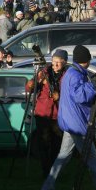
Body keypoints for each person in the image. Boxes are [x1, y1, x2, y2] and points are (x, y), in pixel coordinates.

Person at [39, 45, 96, 190]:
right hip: (77, 125)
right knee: (94, 160)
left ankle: (47, 189)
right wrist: (93, 85)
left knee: (63, 156)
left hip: (70, 121)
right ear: (87, 60)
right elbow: (80, 96)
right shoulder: (75, 74)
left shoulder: (71, 72)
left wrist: (91, 83)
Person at [25, 49, 68, 177]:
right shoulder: (44, 72)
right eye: (54, 62)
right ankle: (45, 170)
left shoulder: (67, 75)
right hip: (42, 113)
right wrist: (32, 84)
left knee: (56, 144)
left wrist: (59, 96)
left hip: (58, 115)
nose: (55, 65)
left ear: (64, 63)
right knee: (43, 142)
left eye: (58, 63)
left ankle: (53, 170)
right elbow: (29, 88)